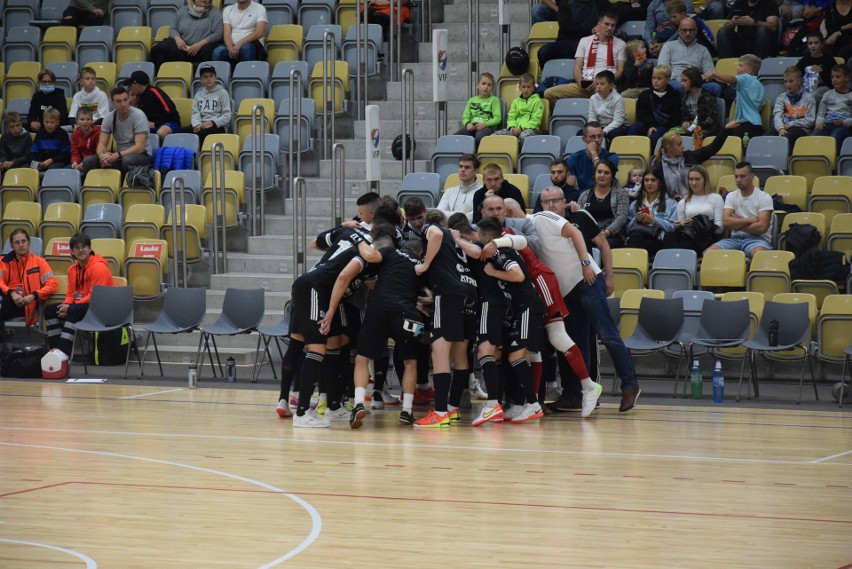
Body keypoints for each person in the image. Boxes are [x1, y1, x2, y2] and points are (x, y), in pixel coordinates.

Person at [479, 196, 599, 418]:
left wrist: (498, 243)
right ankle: (530, 402)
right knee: (532, 348)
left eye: (500, 209)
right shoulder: (484, 234)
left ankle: (589, 386)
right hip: (525, 291)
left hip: (540, 280)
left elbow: (523, 243)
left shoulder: (507, 233)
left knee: (556, 337)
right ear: (482, 213)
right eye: (491, 209)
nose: (496, 213)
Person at [536, 187, 641, 413]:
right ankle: (574, 395)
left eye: (556, 200)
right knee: (574, 343)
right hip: (565, 292)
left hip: (589, 281)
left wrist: (609, 275)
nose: (552, 205)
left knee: (607, 334)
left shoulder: (581, 215)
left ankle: (630, 385)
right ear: (541, 205)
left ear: (565, 202)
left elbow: (603, 244)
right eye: (547, 202)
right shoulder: (539, 223)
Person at [475, 217, 547, 423]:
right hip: (521, 308)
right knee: (518, 358)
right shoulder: (502, 249)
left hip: (528, 307)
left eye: (480, 236)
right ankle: (527, 404)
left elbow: (518, 276)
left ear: (488, 237)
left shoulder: (500, 252)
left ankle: (533, 405)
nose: (478, 239)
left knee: (516, 357)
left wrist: (493, 272)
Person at [412, 217, 478, 428]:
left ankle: (440, 413)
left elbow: (437, 235)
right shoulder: (457, 239)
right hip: (470, 290)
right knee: (461, 353)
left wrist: (426, 264)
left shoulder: (434, 229)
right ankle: (452, 409)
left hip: (448, 292)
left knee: (439, 350)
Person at [44, 233, 114, 358]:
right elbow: (71, 293)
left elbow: (96, 296)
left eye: (84, 247)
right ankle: (54, 352)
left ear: (90, 248)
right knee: (50, 310)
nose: (81, 250)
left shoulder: (99, 267)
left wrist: (71, 307)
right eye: (77, 247)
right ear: (72, 251)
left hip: (101, 308)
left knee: (73, 310)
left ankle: (63, 354)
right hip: (81, 306)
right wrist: (65, 306)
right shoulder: (72, 269)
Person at [544, 12, 626, 104]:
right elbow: (577, 67)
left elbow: (620, 71)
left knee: (605, 95)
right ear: (599, 24)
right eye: (606, 24)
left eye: (613, 25)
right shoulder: (585, 41)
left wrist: (602, 82)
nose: (610, 28)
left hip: (606, 86)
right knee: (549, 93)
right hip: (585, 85)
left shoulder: (620, 44)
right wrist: (580, 82)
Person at [706, 161, 774, 257]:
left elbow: (761, 227)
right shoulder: (731, 196)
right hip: (734, 239)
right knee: (708, 253)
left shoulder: (764, 197)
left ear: (752, 177)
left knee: (760, 255)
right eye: (736, 176)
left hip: (758, 239)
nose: (738, 180)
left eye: (742, 176)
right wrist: (750, 220)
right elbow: (726, 222)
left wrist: (736, 223)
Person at [83, 86, 153, 176]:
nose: (123, 104)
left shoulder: (139, 116)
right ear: (113, 103)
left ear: (129, 100)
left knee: (127, 160)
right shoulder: (109, 118)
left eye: (125, 100)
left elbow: (140, 147)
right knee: (89, 161)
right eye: (119, 101)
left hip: (142, 155)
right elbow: (102, 144)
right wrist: (102, 156)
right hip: (120, 156)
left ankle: (123, 187)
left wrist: (117, 155)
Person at [652, 123, 733, 199]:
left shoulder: (689, 156)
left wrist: (726, 129)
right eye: (679, 144)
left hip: (694, 201)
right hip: (670, 206)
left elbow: (712, 149)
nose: (683, 147)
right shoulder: (659, 166)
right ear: (669, 148)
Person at [661, 164, 725, 254]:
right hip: (688, 235)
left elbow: (719, 229)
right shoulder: (683, 202)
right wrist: (678, 225)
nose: (693, 183)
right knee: (668, 236)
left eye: (697, 179)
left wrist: (696, 224)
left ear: (705, 181)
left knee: (684, 245)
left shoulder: (715, 198)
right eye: (691, 179)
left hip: (706, 237)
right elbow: (682, 229)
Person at [0, 229, 58, 327]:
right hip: (9, 300)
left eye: (23, 241)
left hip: (29, 303)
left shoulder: (39, 262)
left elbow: (52, 285)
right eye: (17, 242)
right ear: (12, 245)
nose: (21, 245)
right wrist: (12, 293)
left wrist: (33, 295)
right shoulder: (3, 261)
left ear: (29, 242)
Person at [150, 0, 224, 72]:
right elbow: (172, 29)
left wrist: (199, 44)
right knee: (159, 48)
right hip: (183, 48)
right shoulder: (182, 11)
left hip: (202, 49)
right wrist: (178, 39)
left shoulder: (215, 13)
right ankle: (159, 77)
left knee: (209, 50)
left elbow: (218, 34)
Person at [536, 0, 612, 67]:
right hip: (568, 42)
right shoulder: (566, 3)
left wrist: (602, 25)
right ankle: (549, 78)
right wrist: (591, 30)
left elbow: (619, 11)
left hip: (590, 43)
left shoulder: (599, 2)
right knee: (544, 52)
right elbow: (566, 27)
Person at [658, 17, 720, 96]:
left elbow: (709, 73)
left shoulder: (703, 50)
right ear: (679, 31)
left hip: (696, 82)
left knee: (715, 87)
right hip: (675, 81)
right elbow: (663, 69)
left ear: (696, 31)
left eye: (691, 30)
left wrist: (693, 81)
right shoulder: (668, 46)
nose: (688, 33)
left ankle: (701, 107)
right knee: (680, 87)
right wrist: (682, 80)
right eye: (684, 30)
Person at [709, 54, 765, 141]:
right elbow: (760, 106)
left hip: (745, 125)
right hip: (757, 125)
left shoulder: (746, 78)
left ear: (749, 70)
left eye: (740, 66)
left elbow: (732, 79)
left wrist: (714, 75)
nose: (737, 68)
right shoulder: (760, 85)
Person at [576, 158, 629, 248]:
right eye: (599, 172)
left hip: (612, 236)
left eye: (606, 173)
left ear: (612, 176)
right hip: (589, 235)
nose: (602, 175)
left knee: (601, 245)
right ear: (595, 174)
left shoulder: (621, 194)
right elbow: (579, 218)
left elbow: (622, 217)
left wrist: (605, 233)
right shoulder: (584, 195)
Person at [625, 169, 677, 257]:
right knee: (635, 237)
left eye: (653, 180)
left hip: (657, 238)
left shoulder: (671, 203)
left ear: (660, 182)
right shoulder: (635, 204)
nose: (649, 183)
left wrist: (654, 220)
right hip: (637, 234)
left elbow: (673, 228)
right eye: (646, 180)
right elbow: (627, 229)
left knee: (648, 244)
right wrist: (635, 219)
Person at [627, 64, 682, 148]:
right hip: (647, 124)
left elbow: (676, 116)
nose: (655, 81)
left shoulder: (674, 95)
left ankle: (651, 158)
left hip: (665, 126)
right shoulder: (645, 94)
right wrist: (650, 126)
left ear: (667, 79)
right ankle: (630, 154)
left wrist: (663, 127)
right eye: (654, 78)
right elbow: (641, 115)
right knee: (634, 129)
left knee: (656, 136)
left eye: (659, 78)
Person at [565, 121, 620, 193]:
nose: (597, 140)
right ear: (584, 139)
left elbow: (602, 175)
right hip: (583, 198)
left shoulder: (612, 157)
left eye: (600, 136)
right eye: (592, 137)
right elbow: (570, 188)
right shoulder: (574, 159)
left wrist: (594, 154)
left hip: (605, 196)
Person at [128, 71, 181, 142]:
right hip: (150, 125)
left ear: (137, 84)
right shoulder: (138, 96)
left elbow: (169, 111)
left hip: (169, 122)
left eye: (131, 85)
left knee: (161, 133)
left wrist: (156, 123)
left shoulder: (154, 92)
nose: (131, 88)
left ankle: (163, 151)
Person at [772, 66, 816, 151]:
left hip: (801, 129)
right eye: (785, 81)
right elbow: (777, 115)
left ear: (799, 81)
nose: (788, 84)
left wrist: (791, 124)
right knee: (766, 138)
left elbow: (810, 120)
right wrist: (780, 128)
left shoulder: (809, 99)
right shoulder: (782, 97)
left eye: (791, 81)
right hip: (783, 127)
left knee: (785, 139)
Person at [454, 72, 502, 149]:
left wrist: (485, 124)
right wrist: (468, 124)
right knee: (455, 138)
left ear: (492, 88)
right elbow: (465, 117)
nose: (486, 86)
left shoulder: (494, 100)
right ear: (477, 85)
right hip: (472, 127)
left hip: (486, 127)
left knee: (480, 138)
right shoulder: (471, 100)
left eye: (489, 85)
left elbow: (497, 118)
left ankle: (473, 158)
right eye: (483, 84)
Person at [213, 0, 268, 67]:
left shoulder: (259, 8)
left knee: (246, 49)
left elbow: (259, 32)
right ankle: (218, 77)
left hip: (252, 45)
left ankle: (247, 76)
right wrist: (230, 47)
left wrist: (239, 44)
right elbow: (227, 33)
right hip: (232, 46)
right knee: (218, 51)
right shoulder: (227, 9)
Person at [494, 73, 544, 146]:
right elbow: (511, 117)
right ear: (520, 87)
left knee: (523, 137)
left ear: (533, 88)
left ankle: (521, 156)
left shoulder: (537, 101)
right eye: (523, 87)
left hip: (531, 129)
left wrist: (521, 128)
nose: (526, 89)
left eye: (528, 87)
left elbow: (535, 120)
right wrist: (512, 127)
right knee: (494, 136)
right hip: (515, 129)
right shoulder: (515, 101)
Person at [813, 64, 852, 151]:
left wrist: (844, 123)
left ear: (847, 78)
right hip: (827, 124)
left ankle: (831, 161)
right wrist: (819, 122)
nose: (834, 80)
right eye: (832, 77)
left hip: (844, 127)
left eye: (838, 77)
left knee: (835, 137)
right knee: (814, 137)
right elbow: (821, 113)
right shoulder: (828, 94)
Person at [191, 65, 232, 144]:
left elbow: (227, 116)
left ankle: (199, 155)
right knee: (183, 132)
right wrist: (197, 125)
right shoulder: (198, 95)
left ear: (215, 78)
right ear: (201, 80)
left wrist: (213, 122)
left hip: (218, 125)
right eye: (205, 77)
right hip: (202, 124)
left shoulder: (223, 93)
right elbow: (195, 113)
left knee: (203, 134)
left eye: (211, 76)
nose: (208, 79)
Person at [436, 154, 483, 221]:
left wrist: (449, 213)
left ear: (476, 171)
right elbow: (439, 214)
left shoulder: (482, 192)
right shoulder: (449, 191)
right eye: (460, 167)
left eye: (467, 167)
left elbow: (473, 218)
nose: (462, 170)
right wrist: (462, 214)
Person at [796, 32, 838, 104]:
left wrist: (822, 71)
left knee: (813, 95)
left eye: (816, 43)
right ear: (807, 45)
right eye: (810, 43)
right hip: (807, 88)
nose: (813, 46)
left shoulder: (829, 59)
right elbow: (795, 74)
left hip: (824, 88)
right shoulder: (804, 60)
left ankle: (813, 114)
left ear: (821, 44)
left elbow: (836, 79)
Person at [679, 66, 722, 137]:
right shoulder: (685, 97)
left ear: (693, 80)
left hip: (707, 129)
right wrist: (685, 122)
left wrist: (694, 126)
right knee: (672, 133)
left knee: (697, 135)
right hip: (692, 127)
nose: (682, 83)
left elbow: (710, 119)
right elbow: (684, 115)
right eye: (681, 80)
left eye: (685, 80)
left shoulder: (707, 96)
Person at [587, 70, 628, 141]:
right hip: (600, 127)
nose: (598, 86)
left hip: (616, 127)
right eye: (597, 84)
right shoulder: (593, 98)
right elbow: (592, 117)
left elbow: (618, 121)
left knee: (614, 134)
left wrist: (604, 131)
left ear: (611, 86)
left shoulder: (617, 98)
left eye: (602, 84)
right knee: (582, 133)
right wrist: (595, 129)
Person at [31, 108, 71, 172]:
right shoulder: (40, 133)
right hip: (42, 161)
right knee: (30, 169)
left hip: (57, 162)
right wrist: (36, 163)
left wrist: (51, 160)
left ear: (58, 122)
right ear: (43, 122)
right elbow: (33, 152)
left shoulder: (63, 134)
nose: (49, 125)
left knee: (51, 171)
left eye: (52, 122)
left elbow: (66, 154)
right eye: (46, 122)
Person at [70, 108, 101, 173]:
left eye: (88, 119)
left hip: (95, 161)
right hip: (80, 162)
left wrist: (84, 163)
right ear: (77, 121)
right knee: (69, 170)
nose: (85, 122)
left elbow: (99, 152)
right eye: (82, 119)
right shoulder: (74, 135)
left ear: (92, 121)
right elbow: (74, 152)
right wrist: (75, 161)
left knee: (88, 161)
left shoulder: (98, 133)